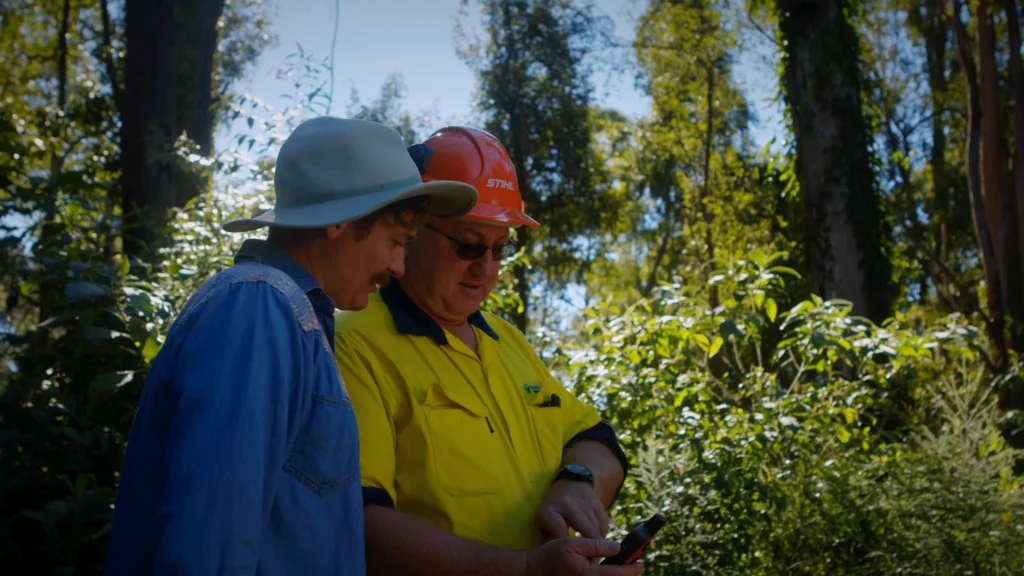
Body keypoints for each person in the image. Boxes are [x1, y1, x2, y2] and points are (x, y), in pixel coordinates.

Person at [103, 117, 478, 575]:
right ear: (341, 220)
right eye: (397, 241)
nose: (399, 266)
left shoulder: (291, 317)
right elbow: (211, 542)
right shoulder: (258, 307)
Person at [334, 126, 641, 576]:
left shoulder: (505, 338)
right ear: (411, 230)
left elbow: (595, 439)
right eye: (468, 245)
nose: (486, 268)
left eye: (500, 249)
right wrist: (526, 569)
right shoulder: (355, 345)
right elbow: (360, 524)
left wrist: (576, 482)